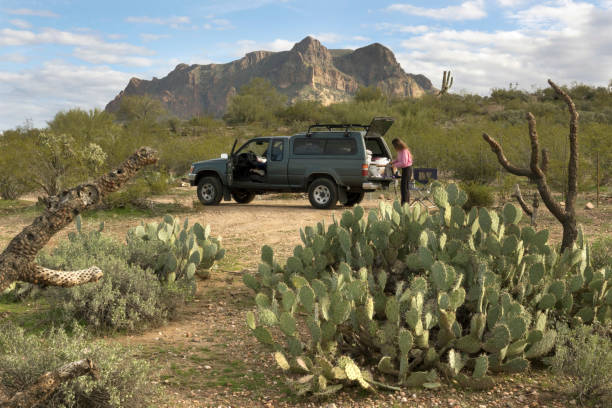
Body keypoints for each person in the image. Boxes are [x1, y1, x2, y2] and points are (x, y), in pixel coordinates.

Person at [391, 138, 413, 205]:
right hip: (404, 170)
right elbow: (398, 159)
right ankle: (404, 203)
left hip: (407, 169)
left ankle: (405, 204)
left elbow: (404, 162)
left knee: (405, 187)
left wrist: (394, 165)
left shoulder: (404, 151)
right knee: (403, 187)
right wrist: (392, 162)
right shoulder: (400, 151)